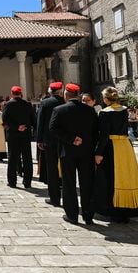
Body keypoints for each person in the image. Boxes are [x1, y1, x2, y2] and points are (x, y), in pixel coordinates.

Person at [93, 87, 138, 223]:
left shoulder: (105, 113)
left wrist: (98, 152)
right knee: (127, 176)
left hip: (111, 147)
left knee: (111, 178)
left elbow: (104, 135)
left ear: (106, 99)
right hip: (125, 146)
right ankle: (128, 209)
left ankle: (114, 210)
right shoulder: (124, 110)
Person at [49, 83, 98, 225]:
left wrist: (71, 139)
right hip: (86, 151)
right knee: (87, 183)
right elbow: (96, 131)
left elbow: (52, 129)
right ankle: (88, 215)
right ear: (78, 95)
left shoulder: (59, 109)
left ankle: (72, 215)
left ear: (65, 94)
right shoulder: (89, 110)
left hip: (68, 151)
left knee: (69, 184)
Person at [37, 81, 65, 206]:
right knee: (66, 168)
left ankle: (54, 198)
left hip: (49, 140)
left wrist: (39, 139)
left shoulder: (45, 103)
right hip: (65, 140)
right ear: (61, 91)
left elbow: (41, 122)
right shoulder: (66, 102)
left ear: (50, 91)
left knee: (52, 169)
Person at [2, 85, 36, 188]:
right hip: (25, 135)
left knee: (12, 158)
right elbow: (33, 120)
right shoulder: (27, 105)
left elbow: (5, 120)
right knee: (27, 158)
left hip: (13, 135)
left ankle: (12, 182)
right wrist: (26, 127)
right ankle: (27, 182)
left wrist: (16, 127)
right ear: (21, 94)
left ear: (12, 93)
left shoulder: (8, 105)